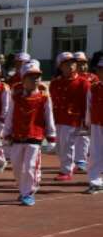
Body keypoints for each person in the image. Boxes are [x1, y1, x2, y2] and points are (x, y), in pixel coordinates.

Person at [4, 62, 56, 205]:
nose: (35, 80)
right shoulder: (16, 97)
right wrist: (6, 133)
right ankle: (24, 188)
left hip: (35, 137)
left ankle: (28, 192)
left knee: (30, 167)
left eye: (37, 77)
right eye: (31, 77)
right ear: (23, 79)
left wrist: (51, 137)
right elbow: (10, 115)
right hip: (17, 137)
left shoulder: (44, 98)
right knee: (17, 167)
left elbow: (49, 117)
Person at [51, 52, 95, 181]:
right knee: (59, 147)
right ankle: (68, 166)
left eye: (72, 63)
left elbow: (87, 104)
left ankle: (66, 170)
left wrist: (86, 120)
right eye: (66, 64)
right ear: (60, 66)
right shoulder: (55, 83)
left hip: (74, 119)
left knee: (67, 144)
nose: (70, 66)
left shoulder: (83, 83)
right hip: (58, 118)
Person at [86, 64, 103, 194]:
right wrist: (88, 123)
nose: (101, 72)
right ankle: (95, 181)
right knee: (95, 152)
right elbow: (89, 105)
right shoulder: (93, 87)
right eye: (100, 69)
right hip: (97, 123)